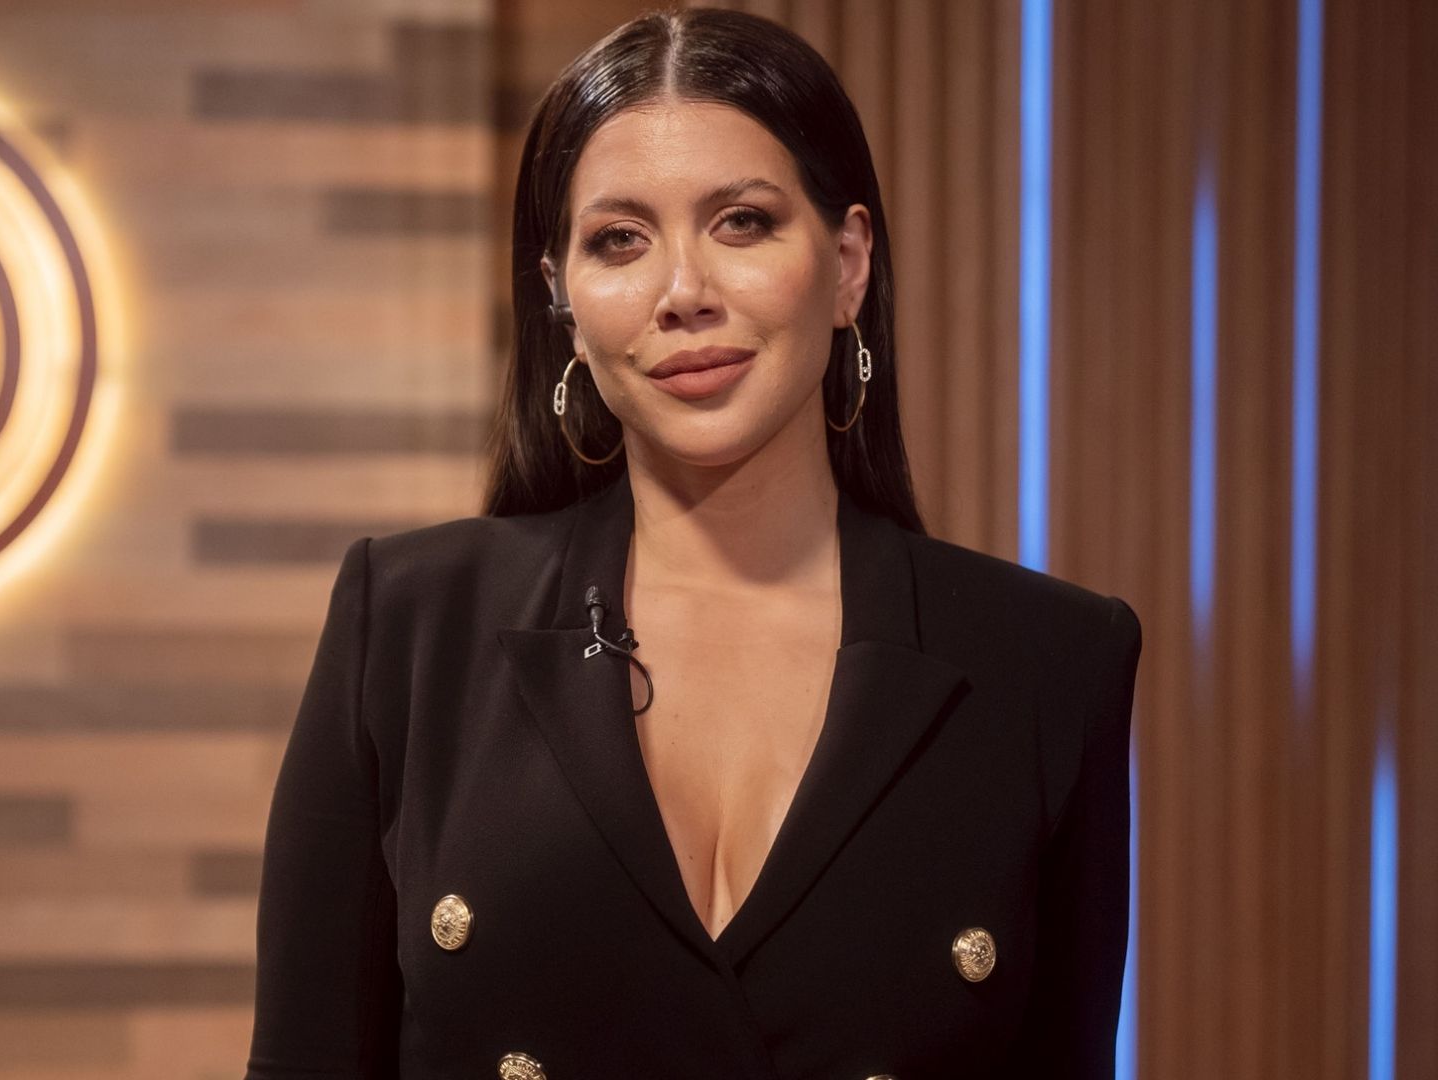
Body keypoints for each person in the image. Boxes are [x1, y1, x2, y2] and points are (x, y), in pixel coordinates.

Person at [245, 8, 1144, 1080]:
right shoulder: (405, 626)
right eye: (619, 241)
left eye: (742, 223)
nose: (683, 295)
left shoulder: (1051, 661)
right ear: (561, 299)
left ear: (848, 262)